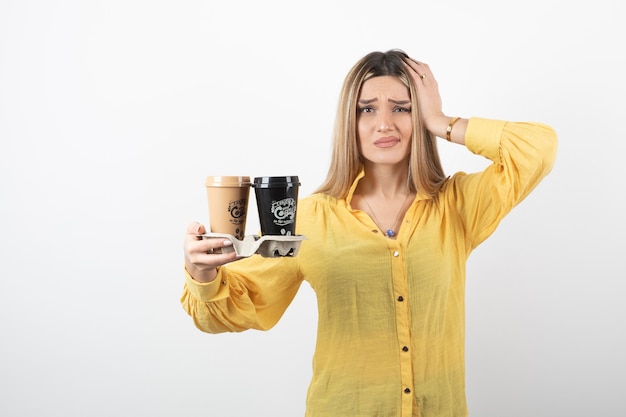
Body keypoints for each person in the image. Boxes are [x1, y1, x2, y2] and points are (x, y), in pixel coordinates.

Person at [180, 49, 558, 417]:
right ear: (350, 120)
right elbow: (230, 311)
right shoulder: (308, 218)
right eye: (367, 109)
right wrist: (203, 274)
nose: (384, 124)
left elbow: (537, 148)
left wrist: (440, 120)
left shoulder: (456, 206)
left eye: (401, 108)